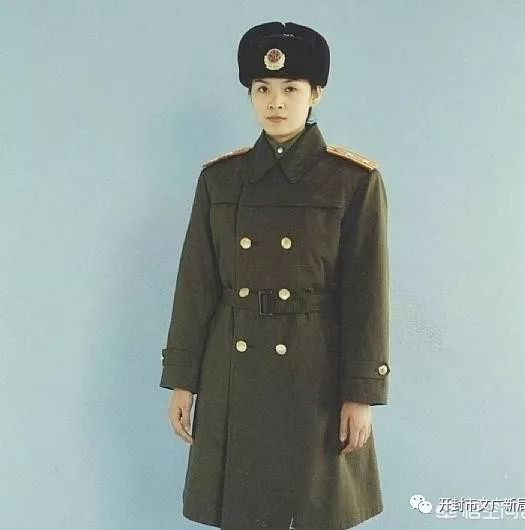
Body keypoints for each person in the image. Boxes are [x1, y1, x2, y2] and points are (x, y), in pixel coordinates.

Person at [160, 21, 390, 530]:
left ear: (316, 94)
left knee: (313, 512)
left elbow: (367, 295)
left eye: (290, 89)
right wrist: (183, 380)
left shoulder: (352, 181)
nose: (276, 102)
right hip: (233, 369)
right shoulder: (220, 179)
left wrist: (360, 394)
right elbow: (196, 285)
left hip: (316, 371)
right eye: (262, 89)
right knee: (243, 512)